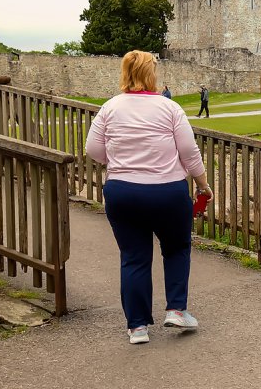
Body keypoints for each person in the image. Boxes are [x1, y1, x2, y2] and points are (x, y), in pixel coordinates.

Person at [86, 50, 213, 345]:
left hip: (123, 190)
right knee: (177, 248)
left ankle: (138, 327)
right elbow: (189, 153)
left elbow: (93, 150)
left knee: (134, 257)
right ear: (151, 73)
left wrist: (119, 161)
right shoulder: (169, 108)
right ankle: (176, 309)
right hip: (167, 191)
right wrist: (203, 184)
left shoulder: (110, 108)